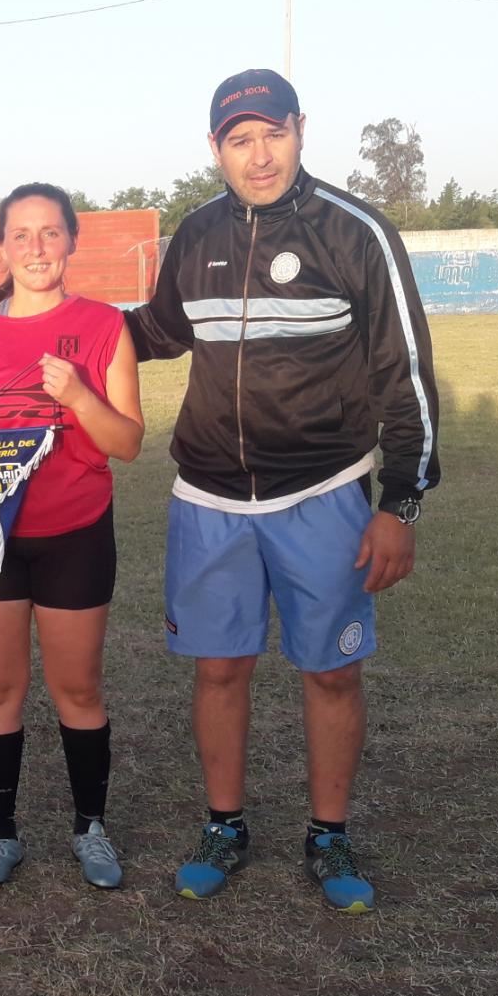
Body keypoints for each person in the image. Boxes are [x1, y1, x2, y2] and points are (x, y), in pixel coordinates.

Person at [123, 69, 441, 913]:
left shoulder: (356, 231)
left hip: (325, 493)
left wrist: (398, 504)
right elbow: (155, 330)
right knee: (219, 669)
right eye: (239, 139)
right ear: (215, 147)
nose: (259, 155)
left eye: (273, 134)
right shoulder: (194, 233)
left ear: (301, 130)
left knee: (329, 674)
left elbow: (403, 376)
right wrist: (54, 325)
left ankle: (328, 831)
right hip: (210, 500)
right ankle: (224, 824)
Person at [0, 183, 144, 890]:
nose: (38, 247)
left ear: (72, 241)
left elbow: (130, 441)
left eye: (51, 233)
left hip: (74, 529)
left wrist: (79, 395)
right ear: (1, 246)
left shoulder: (105, 325)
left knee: (76, 686)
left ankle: (90, 826)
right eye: (22, 234)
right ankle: (1, 832)